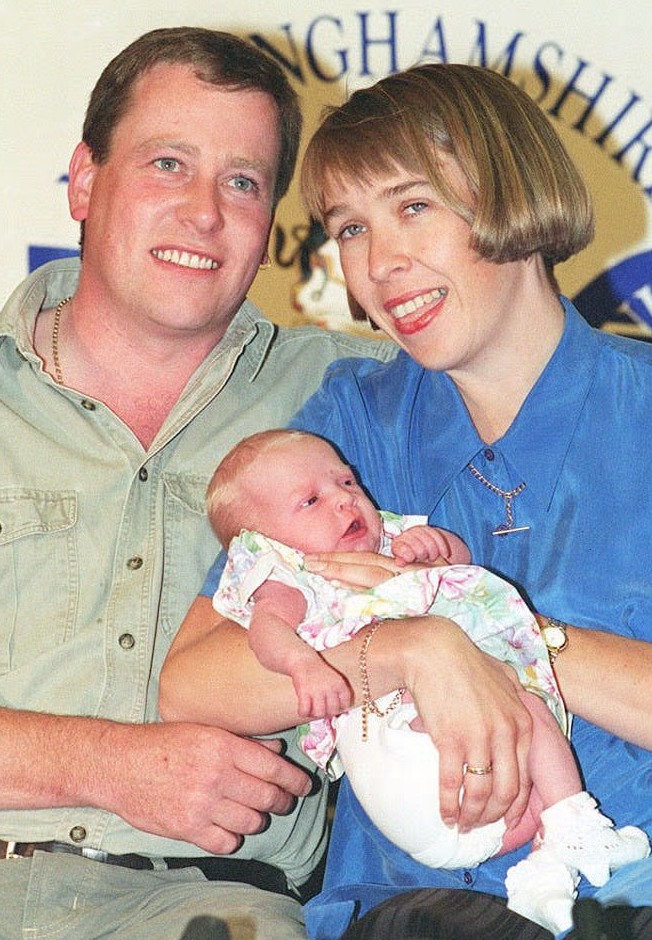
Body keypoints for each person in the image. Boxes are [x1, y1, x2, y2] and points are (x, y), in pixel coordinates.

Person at [160, 63, 652, 940]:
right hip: (396, 911)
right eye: (351, 227)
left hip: (623, 895)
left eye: (413, 207)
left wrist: (493, 641)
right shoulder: (351, 425)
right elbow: (196, 682)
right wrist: (406, 648)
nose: (381, 263)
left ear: (512, 195)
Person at [0, 26, 395, 940]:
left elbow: (551, 376)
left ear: (272, 231)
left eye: (243, 181)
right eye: (168, 164)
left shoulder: (357, 397)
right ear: (85, 180)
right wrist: (109, 767)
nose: (205, 212)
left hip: (209, 908)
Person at [205, 427, 649, 934]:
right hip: (410, 766)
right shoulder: (292, 574)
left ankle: (544, 879)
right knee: (519, 701)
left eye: (347, 483)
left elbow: (459, 576)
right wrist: (305, 666)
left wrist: (439, 548)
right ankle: (575, 820)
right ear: (263, 541)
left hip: (476, 807)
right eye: (310, 500)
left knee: (522, 724)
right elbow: (267, 633)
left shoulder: (391, 540)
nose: (344, 501)